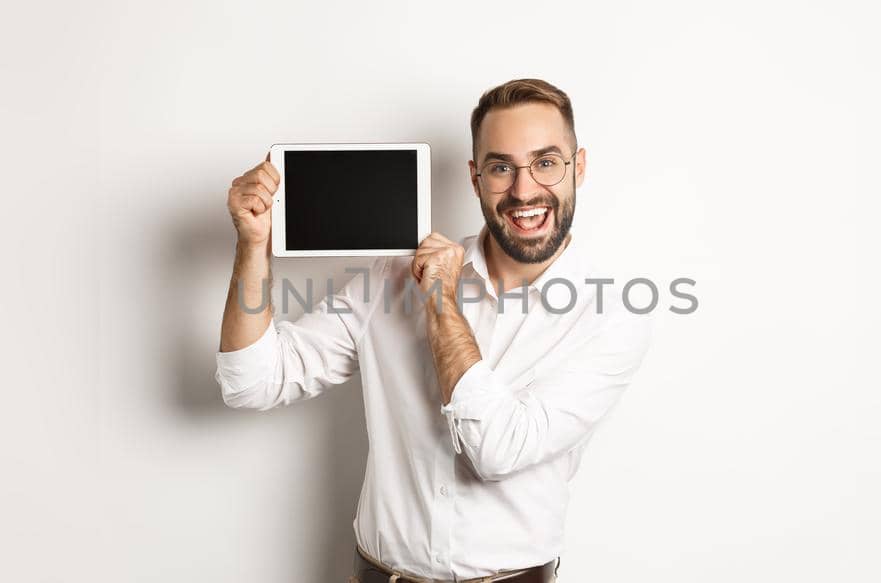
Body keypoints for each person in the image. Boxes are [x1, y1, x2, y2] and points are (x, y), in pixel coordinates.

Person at [216, 78, 651, 582]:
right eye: (501, 167)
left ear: (578, 167)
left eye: (546, 163)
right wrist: (252, 245)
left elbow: (497, 450)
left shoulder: (612, 315)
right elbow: (251, 383)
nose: (524, 189)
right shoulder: (391, 277)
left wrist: (442, 303)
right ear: (475, 177)